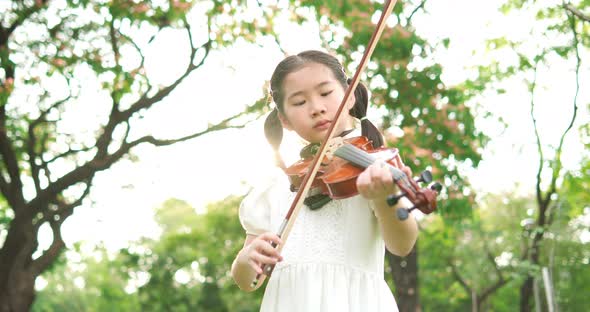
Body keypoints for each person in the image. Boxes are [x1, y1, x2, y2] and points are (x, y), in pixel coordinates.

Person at [231, 50, 418, 311]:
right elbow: (249, 281)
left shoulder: (373, 169)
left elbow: (402, 244)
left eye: (326, 93)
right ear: (284, 119)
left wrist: (384, 197)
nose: (317, 108)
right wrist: (245, 260)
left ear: (349, 95)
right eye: (299, 102)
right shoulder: (275, 186)